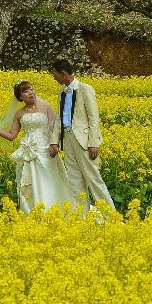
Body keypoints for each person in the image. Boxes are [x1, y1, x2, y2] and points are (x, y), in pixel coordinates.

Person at [0, 80, 76, 213]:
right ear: (20, 97)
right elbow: (11, 136)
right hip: (28, 152)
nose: (30, 93)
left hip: (46, 150)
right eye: (26, 91)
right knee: (31, 182)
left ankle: (58, 209)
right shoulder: (19, 114)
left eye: (31, 89)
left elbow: (55, 127)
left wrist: (54, 144)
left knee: (50, 180)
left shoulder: (46, 106)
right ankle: (34, 211)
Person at [49, 59, 115, 210]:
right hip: (68, 139)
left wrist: (93, 143)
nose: (54, 78)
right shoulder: (61, 92)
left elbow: (94, 118)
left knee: (94, 180)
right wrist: (54, 141)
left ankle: (111, 217)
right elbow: (60, 117)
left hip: (84, 141)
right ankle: (80, 217)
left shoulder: (86, 89)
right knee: (74, 181)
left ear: (63, 73)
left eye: (55, 74)